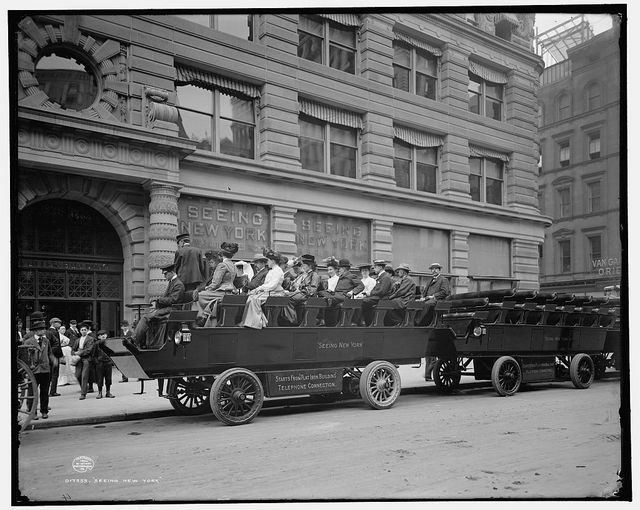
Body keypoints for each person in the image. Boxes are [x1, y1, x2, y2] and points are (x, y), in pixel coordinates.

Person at [134, 263, 185, 348]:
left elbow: (173, 300)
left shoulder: (178, 284)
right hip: (168, 309)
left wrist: (158, 300)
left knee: (145, 318)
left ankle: (135, 340)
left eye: (165, 274)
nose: (164, 276)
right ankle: (143, 343)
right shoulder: (172, 283)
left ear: (171, 272)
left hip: (172, 310)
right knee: (146, 317)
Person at [417, 262, 451, 379]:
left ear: (440, 270)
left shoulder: (443, 280)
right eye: (432, 269)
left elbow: (445, 292)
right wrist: (422, 296)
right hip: (429, 302)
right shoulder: (430, 281)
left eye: (436, 269)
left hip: (438, 303)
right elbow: (425, 292)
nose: (434, 271)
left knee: (426, 305)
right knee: (418, 304)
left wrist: (433, 297)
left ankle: (419, 322)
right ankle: (428, 374)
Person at [195, 242, 239, 327]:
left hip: (222, 293)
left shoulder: (222, 265)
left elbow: (215, 284)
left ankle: (202, 318)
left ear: (222, 254)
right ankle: (206, 315)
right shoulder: (233, 265)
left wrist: (206, 288)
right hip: (231, 292)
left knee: (199, 296)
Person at [240, 250, 286, 329]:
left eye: (268, 260)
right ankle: (251, 322)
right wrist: (257, 289)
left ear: (273, 261)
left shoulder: (278, 271)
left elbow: (272, 285)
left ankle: (258, 322)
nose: (267, 262)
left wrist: (259, 289)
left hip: (275, 293)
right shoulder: (272, 271)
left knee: (254, 299)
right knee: (250, 297)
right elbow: (266, 284)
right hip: (270, 292)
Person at [21, 318, 55, 420]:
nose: (44, 331)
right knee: (32, 392)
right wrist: (26, 370)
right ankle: (33, 412)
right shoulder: (28, 342)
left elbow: (49, 353)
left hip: (45, 369)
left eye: (44, 329)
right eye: (41, 329)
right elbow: (24, 357)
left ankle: (44, 411)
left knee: (45, 392)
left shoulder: (46, 340)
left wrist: (53, 360)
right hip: (33, 371)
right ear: (36, 331)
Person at [318, 258, 364, 327]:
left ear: (344, 268)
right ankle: (326, 322)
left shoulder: (351, 276)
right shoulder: (340, 277)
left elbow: (361, 286)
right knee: (321, 294)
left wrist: (352, 292)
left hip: (344, 296)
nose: (339, 270)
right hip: (336, 295)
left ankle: (323, 321)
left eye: (340, 268)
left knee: (328, 299)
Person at [282, 254, 321, 324]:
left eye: (304, 265)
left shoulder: (314, 275)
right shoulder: (305, 274)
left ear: (310, 266)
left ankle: (293, 320)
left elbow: (312, 290)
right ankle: (288, 318)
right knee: (282, 296)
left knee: (287, 298)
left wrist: (300, 289)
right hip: (301, 293)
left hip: (307, 295)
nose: (303, 267)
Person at [361, 259, 394, 326]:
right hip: (378, 298)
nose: (374, 269)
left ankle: (368, 323)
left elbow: (382, 291)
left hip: (382, 299)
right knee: (362, 301)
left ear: (381, 267)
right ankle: (368, 322)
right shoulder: (381, 277)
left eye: (375, 267)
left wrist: (370, 293)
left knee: (364, 302)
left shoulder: (385, 277)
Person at [72, 321, 95, 400]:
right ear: (80, 331)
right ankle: (85, 387)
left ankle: (83, 393)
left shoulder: (90, 339)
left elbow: (89, 350)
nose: (83, 331)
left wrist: (79, 353)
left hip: (86, 359)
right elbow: (73, 349)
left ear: (87, 330)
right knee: (77, 375)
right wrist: (74, 353)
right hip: (79, 359)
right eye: (82, 330)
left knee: (84, 376)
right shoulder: (78, 340)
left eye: (85, 330)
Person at [93, 330, 115, 399]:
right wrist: (96, 361)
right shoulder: (96, 344)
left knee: (108, 378)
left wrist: (112, 361)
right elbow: (94, 354)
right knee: (100, 378)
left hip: (108, 362)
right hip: (100, 363)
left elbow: (113, 353)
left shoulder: (109, 343)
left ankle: (108, 392)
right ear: (98, 337)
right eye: (101, 335)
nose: (103, 336)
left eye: (104, 334)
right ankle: (100, 392)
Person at [46, 317, 63, 397]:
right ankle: (53, 391)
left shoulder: (47, 331)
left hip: (48, 355)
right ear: (53, 323)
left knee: (50, 373)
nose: (59, 324)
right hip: (54, 355)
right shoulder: (54, 332)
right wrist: (60, 355)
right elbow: (57, 345)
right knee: (55, 374)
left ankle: (49, 390)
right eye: (58, 323)